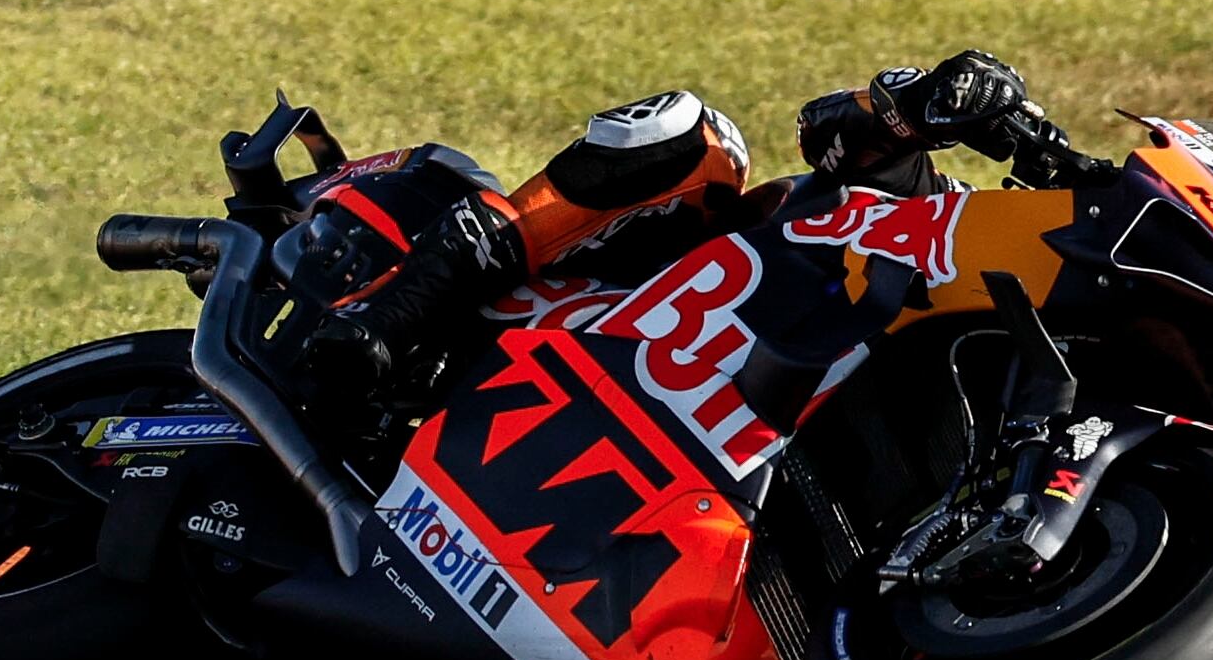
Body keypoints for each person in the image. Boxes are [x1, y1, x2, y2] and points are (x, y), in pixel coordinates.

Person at [276, 52, 1046, 422]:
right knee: (701, 136)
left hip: (694, 423)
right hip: (608, 310)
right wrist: (917, 105)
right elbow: (827, 130)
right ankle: (387, 316)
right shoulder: (934, 211)